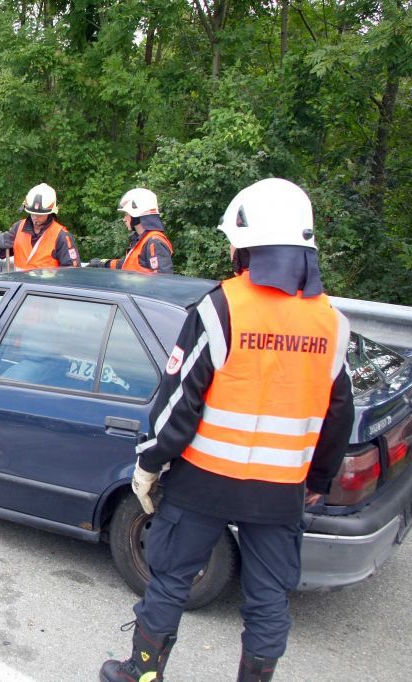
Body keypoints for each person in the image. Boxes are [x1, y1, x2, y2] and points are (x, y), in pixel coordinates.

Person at [100, 178, 355, 682]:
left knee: (170, 579)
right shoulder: (332, 322)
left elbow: (179, 402)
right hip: (281, 489)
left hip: (204, 481)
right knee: (268, 598)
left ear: (246, 246)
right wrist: (319, 481)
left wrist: (149, 463)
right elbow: (339, 414)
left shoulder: (221, 308)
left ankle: (141, 673)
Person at [0, 182, 81, 270]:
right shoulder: (18, 227)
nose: (35, 217)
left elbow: (72, 271)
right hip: (20, 279)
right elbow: (1, 254)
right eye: (33, 213)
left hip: (46, 280)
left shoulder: (61, 236)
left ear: (50, 213)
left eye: (40, 215)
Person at [90, 187, 173, 273]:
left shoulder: (154, 242)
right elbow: (127, 264)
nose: (124, 219)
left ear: (136, 215)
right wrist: (103, 263)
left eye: (126, 214)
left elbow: (162, 277)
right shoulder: (141, 239)